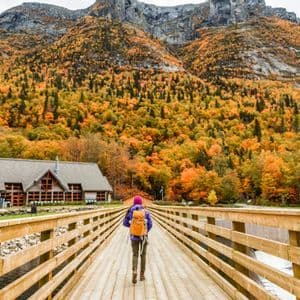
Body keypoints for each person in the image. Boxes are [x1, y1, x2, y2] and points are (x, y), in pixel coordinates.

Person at [123, 195, 153, 284]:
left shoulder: (130, 211)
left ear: (134, 202)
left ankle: (134, 270)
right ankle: (142, 275)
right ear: (141, 202)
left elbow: (124, 223)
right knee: (143, 255)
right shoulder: (145, 211)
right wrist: (145, 230)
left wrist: (132, 226)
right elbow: (150, 224)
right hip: (143, 236)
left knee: (135, 254)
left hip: (133, 236)